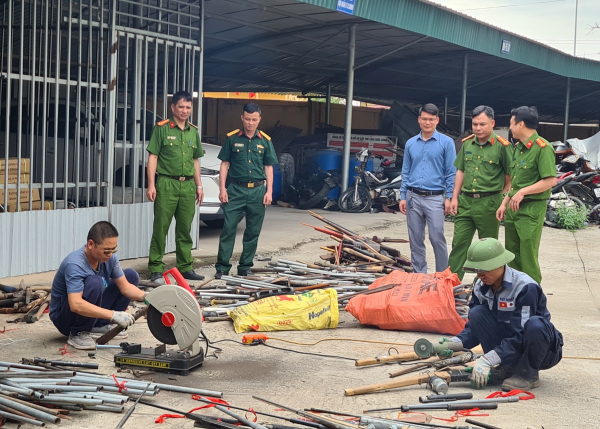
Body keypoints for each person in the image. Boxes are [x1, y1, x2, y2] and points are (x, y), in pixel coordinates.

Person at [441, 238, 563, 391]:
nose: (480, 275)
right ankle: (507, 367)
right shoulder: (481, 287)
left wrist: (487, 359)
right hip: (508, 347)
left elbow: (521, 334)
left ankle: (527, 373)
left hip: (541, 350)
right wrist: (455, 343)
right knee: (478, 313)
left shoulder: (525, 287)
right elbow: (474, 327)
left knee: (535, 325)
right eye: (477, 270)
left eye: (484, 269)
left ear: (500, 264)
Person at [50, 222, 146, 350]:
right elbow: (75, 304)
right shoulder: (74, 264)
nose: (110, 254)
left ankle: (99, 325)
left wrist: (148, 297)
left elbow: (125, 287)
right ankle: (79, 332)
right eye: (107, 250)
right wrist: (113, 314)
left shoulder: (110, 258)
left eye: (114, 249)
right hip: (65, 318)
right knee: (95, 283)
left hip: (87, 309)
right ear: (91, 244)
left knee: (131, 275)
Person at [146, 90, 205, 283]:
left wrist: (199, 186)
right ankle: (155, 267)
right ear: (173, 107)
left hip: (188, 186)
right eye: (181, 106)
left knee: (184, 229)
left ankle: (185, 267)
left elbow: (195, 160)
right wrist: (151, 184)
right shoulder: (162, 129)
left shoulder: (193, 131)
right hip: (166, 184)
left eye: (188, 107)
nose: (185, 110)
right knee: (161, 227)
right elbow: (153, 157)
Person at [214, 103, 278, 279]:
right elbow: (224, 165)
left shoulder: (265, 141)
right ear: (242, 118)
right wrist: (222, 189)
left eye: (254, 119)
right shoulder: (232, 139)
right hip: (235, 189)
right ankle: (222, 267)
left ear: (259, 120)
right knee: (228, 228)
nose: (250, 123)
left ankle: (245, 267)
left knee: (252, 231)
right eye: (247, 119)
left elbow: (269, 167)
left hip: (258, 191)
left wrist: (269, 191)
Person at [448, 106, 512, 280]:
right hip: (466, 202)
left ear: (492, 123)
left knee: (488, 249)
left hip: (489, 203)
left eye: (482, 124)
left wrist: (499, 194)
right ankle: (452, 285)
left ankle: (485, 286)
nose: (478, 128)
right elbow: (460, 171)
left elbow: (509, 175)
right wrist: (454, 197)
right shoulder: (467, 143)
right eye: (475, 124)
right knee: (459, 244)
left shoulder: (502, 146)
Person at [497, 106, 556, 284]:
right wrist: (504, 202)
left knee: (528, 256)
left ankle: (532, 299)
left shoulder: (542, 148)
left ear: (521, 124)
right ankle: (515, 294)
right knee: (512, 255)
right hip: (514, 209)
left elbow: (550, 180)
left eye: (511, 124)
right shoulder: (519, 148)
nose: (510, 128)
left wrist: (523, 192)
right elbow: (516, 181)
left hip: (531, 209)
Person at [400, 103, 456, 273]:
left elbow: (451, 171)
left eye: (431, 119)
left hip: (435, 197)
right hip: (413, 197)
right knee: (415, 238)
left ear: (437, 120)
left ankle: (442, 276)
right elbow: (406, 170)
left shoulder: (446, 143)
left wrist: (450, 197)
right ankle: (420, 276)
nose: (427, 122)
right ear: (419, 120)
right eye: (424, 119)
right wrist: (403, 196)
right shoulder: (410, 143)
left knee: (436, 236)